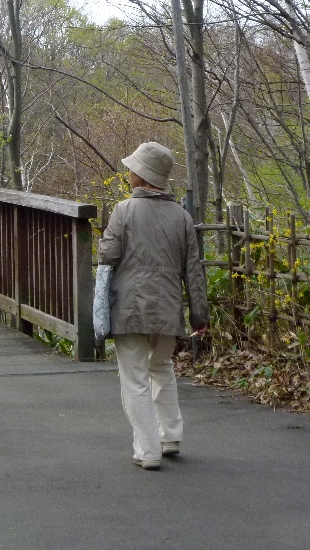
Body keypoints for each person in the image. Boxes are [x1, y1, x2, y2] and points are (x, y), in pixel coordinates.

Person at [98, 142, 209, 471]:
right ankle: (170, 435)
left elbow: (108, 255)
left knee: (134, 379)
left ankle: (147, 450)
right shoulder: (182, 217)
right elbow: (194, 270)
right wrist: (199, 315)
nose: (128, 172)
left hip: (130, 309)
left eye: (132, 168)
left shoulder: (123, 211)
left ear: (143, 176)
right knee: (162, 369)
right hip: (168, 308)